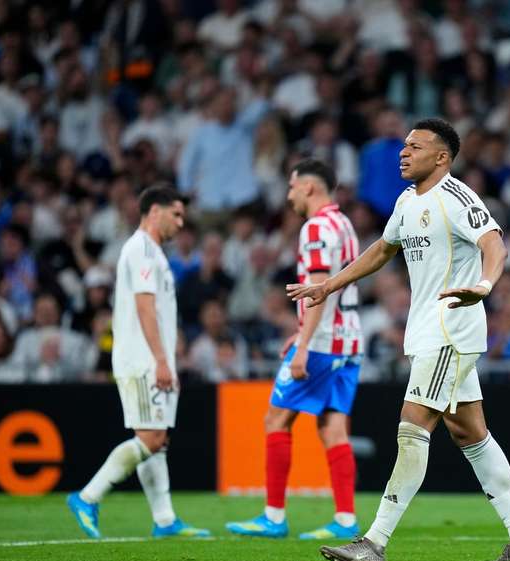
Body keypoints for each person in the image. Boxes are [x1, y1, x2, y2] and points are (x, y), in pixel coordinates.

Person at [289, 118, 510, 561]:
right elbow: (382, 249)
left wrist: (485, 285)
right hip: (428, 329)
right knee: (470, 433)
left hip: (451, 328)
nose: (404, 153)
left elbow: (495, 245)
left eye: (415, 147)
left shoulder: (458, 197)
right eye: (404, 146)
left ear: (442, 157)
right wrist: (330, 285)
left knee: (413, 425)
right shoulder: (407, 200)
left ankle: (374, 542)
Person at [226, 158, 363, 541]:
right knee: (332, 427)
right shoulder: (344, 224)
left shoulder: (316, 227)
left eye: (292, 186)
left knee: (275, 419)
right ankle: (346, 520)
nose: (288, 195)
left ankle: (273, 517)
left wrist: (304, 344)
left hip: (322, 344)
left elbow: (319, 289)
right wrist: (302, 331)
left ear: (309, 187)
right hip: (349, 339)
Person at [67, 184, 210, 539]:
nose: (181, 222)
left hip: (153, 358)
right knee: (151, 436)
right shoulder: (142, 249)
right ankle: (87, 497)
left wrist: (167, 361)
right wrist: (160, 360)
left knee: (157, 439)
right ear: (155, 212)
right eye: (176, 214)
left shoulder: (154, 252)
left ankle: (165, 520)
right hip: (142, 359)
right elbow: (144, 307)